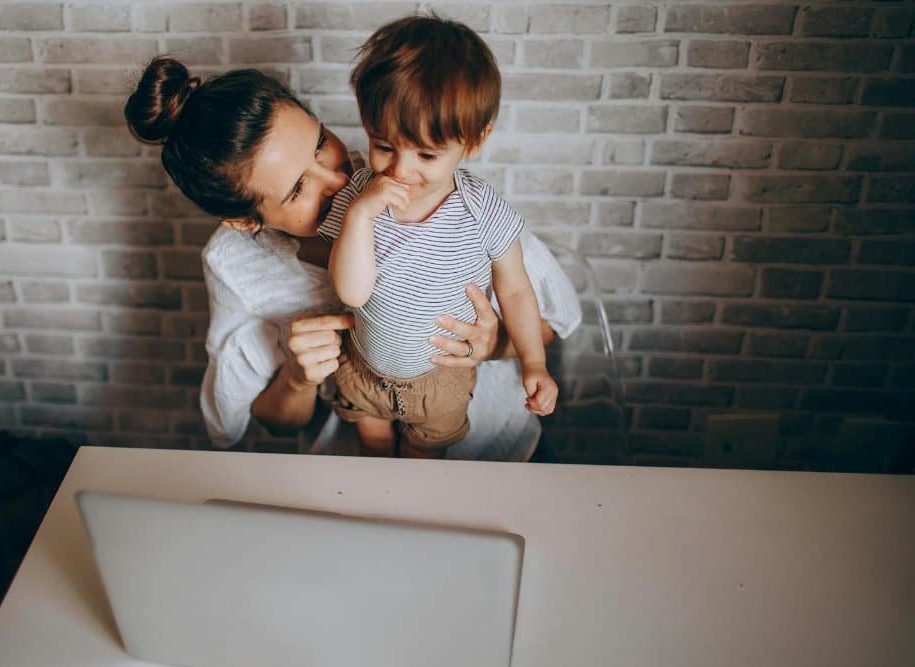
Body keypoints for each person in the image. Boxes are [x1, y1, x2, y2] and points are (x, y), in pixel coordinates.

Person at [124, 56, 580, 461]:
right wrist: (298, 379)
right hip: (357, 465)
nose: (337, 181)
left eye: (321, 143)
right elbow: (267, 422)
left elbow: (553, 318)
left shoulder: (413, 179)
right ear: (244, 222)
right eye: (298, 189)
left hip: (498, 450)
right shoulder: (235, 264)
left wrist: (493, 345)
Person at [319, 15, 557, 459]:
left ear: (474, 141)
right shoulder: (360, 196)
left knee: (421, 467)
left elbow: (517, 289)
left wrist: (534, 362)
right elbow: (351, 291)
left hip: (439, 377)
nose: (400, 170)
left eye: (426, 154)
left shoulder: (481, 209)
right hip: (366, 367)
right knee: (372, 453)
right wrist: (359, 215)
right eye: (384, 145)